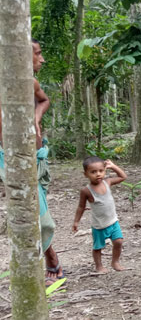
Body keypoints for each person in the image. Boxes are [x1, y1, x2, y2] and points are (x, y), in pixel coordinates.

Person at [0, 39, 62, 286]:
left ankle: (48, 258)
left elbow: (44, 100)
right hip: (11, 159)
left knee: (36, 209)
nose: (42, 59)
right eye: (38, 53)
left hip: (36, 157)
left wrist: (36, 118)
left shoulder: (31, 83)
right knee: (38, 215)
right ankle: (48, 259)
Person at [72, 158, 127, 273]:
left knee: (118, 242)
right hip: (99, 225)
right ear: (85, 174)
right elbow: (81, 207)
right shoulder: (86, 191)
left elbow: (123, 177)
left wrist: (113, 166)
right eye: (93, 172)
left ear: (105, 171)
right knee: (98, 247)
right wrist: (76, 221)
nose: (98, 174)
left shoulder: (107, 182)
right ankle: (99, 266)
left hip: (113, 221)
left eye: (101, 171)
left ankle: (115, 261)